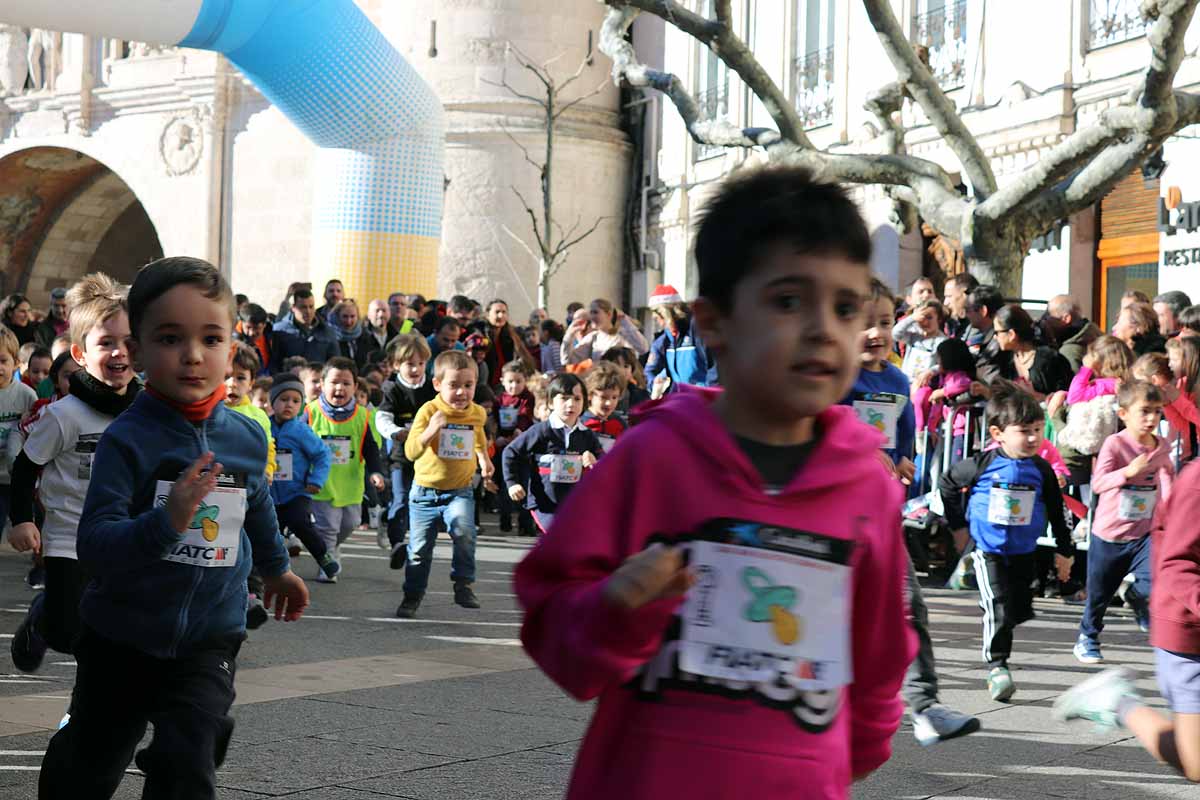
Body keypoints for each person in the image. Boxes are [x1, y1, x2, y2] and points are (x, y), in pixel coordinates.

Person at [514, 166, 915, 799]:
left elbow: (879, 653)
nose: (822, 328)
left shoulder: (866, 486)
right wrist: (614, 607)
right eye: (788, 301)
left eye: (845, 307)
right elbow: (551, 619)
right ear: (713, 321)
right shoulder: (651, 458)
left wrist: (852, 751)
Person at [37, 256, 308, 798]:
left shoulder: (247, 438)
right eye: (169, 338)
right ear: (136, 351)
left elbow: (256, 506)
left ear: (231, 350)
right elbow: (95, 542)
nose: (192, 355)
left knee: (189, 761)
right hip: (121, 637)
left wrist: (277, 569)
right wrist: (166, 522)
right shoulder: (127, 440)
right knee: (89, 765)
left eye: (210, 339)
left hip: (209, 638)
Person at [7, 273, 139, 682]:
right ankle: (41, 616)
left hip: (125, 534)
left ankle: (95, 696)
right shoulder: (64, 416)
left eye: (128, 343)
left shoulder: (146, 411)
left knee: (109, 629)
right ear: (81, 354)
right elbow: (27, 466)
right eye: (106, 344)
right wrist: (23, 519)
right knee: (66, 631)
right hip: (69, 535)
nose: (119, 353)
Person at [1054, 460, 1200, 784]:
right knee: (1197, 763)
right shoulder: (1197, 482)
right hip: (1188, 635)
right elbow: (1177, 563)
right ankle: (1117, 702)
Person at [939, 382, 1074, 701]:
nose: (1033, 438)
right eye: (1024, 431)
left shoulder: (1041, 469)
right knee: (997, 606)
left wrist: (1065, 552)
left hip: (1024, 550)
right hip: (989, 548)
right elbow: (947, 483)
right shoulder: (983, 464)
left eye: (1039, 430)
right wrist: (958, 528)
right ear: (998, 434)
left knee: (1017, 609)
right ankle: (998, 667)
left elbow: (1057, 509)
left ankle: (968, 575)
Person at [1073, 380, 1172, 665]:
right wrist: (1128, 472)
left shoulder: (1161, 445)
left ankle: (1138, 600)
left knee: (1155, 579)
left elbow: (1166, 477)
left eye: (1156, 411)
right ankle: (1088, 638)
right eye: (1144, 411)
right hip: (1109, 534)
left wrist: (1173, 504)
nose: (1152, 418)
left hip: (1144, 532)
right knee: (1099, 594)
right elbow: (1100, 483)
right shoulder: (1115, 444)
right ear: (1124, 413)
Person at [398, 349, 493, 618]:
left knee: (464, 530)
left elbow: (478, 437)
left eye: (468, 385)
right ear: (437, 384)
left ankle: (463, 583)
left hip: (459, 491)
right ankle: (412, 595)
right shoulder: (429, 411)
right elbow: (410, 451)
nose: (462, 392)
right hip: (424, 493)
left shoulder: (477, 413)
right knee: (419, 551)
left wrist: (484, 458)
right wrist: (432, 430)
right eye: (454, 385)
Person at [305, 357, 386, 582]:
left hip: (351, 485)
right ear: (322, 384)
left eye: (346, 383)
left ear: (355, 387)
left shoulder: (363, 416)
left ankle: (328, 548)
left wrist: (376, 472)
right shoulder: (310, 412)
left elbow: (370, 449)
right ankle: (328, 562)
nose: (339, 388)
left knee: (349, 524)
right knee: (328, 527)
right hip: (321, 484)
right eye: (334, 382)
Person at [503, 372, 603, 534]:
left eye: (577, 399)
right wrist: (512, 483)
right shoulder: (542, 431)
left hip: (575, 504)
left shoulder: (587, 435)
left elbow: (603, 460)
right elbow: (511, 452)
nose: (571, 404)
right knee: (560, 537)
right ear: (550, 402)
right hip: (544, 504)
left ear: (585, 402)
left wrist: (595, 462)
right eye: (564, 398)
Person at [269, 372, 339, 580]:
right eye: (283, 399)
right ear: (272, 401)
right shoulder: (264, 426)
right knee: (271, 533)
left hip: (297, 492)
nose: (289, 405)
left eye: (295, 400)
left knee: (301, 522)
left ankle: (323, 556)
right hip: (270, 494)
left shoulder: (301, 431)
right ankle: (274, 572)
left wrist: (316, 480)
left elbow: (322, 455)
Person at [846, 279, 916, 485]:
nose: (876, 333)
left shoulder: (899, 381)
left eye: (885, 323)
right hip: (845, 479)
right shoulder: (839, 378)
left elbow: (906, 426)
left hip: (882, 481)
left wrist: (902, 458)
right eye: (864, 325)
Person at [376, 334, 437, 567]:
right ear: (396, 364)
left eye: (421, 363)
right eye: (410, 364)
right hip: (400, 456)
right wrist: (395, 432)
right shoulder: (392, 389)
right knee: (400, 497)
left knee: (420, 500)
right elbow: (381, 417)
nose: (416, 369)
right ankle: (397, 544)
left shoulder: (432, 387)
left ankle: (400, 527)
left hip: (427, 456)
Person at [644, 284, 718, 394]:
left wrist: (710, 396)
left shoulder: (697, 330)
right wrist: (654, 384)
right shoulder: (664, 340)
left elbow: (715, 367)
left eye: (657, 315)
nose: (655, 319)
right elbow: (650, 371)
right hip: (680, 402)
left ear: (665, 312)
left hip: (702, 401)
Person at [993, 304, 1073, 400]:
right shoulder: (1005, 360)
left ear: (1011, 334)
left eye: (997, 332)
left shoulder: (1049, 360)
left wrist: (1038, 397)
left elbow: (1068, 398)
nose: (995, 337)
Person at [494, 361, 536, 534]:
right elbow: (494, 420)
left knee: (525, 485)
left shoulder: (528, 397)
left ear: (524, 381)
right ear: (503, 381)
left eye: (518, 381)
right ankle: (505, 520)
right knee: (505, 486)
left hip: (523, 449)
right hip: (504, 448)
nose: (514, 385)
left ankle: (525, 524)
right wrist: (497, 437)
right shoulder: (500, 399)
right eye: (510, 381)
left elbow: (525, 416)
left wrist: (518, 431)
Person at [561, 298, 649, 365]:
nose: (592, 316)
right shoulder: (593, 337)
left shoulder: (623, 335)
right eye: (591, 312)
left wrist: (624, 320)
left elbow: (643, 348)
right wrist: (569, 336)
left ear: (608, 314)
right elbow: (568, 361)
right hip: (601, 385)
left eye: (595, 312)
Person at [269, 287, 340, 371]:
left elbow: (335, 362)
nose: (308, 311)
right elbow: (273, 363)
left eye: (311, 307)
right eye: (303, 307)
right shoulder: (279, 330)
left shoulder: (327, 331)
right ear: (293, 308)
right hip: (290, 380)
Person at [482, 299, 534, 388]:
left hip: (508, 384)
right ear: (487, 315)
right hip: (488, 385)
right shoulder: (481, 335)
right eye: (497, 312)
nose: (501, 315)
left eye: (504, 312)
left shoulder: (511, 335)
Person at [892, 298, 947, 381]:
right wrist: (912, 318)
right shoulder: (914, 335)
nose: (925, 322)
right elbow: (895, 334)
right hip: (905, 380)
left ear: (939, 319)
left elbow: (945, 364)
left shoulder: (941, 340)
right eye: (922, 318)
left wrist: (931, 371)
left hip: (924, 385)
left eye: (929, 318)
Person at [1045, 294, 1102, 372]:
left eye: (1050, 315)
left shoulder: (1068, 352)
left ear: (1066, 318)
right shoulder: (1096, 335)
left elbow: (1073, 384)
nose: (1047, 321)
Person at [962, 285, 1007, 382]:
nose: (966, 315)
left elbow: (989, 382)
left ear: (983, 311)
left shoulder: (998, 344)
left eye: (967, 310)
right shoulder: (980, 337)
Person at [581, 361, 627, 454]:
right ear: (590, 394)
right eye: (603, 397)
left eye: (614, 397)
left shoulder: (620, 423)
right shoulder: (581, 422)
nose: (609, 403)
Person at [331, 299, 371, 370]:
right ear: (338, 316)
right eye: (345, 316)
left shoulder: (365, 336)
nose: (349, 321)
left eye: (352, 316)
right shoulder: (330, 336)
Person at [235, 303, 272, 375]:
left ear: (264, 325)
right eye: (248, 327)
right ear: (241, 323)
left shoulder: (271, 336)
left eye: (257, 328)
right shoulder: (234, 342)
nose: (252, 333)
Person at [942, 272, 979, 341]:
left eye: (949, 296)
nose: (945, 303)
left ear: (965, 295)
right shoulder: (951, 324)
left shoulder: (979, 326)